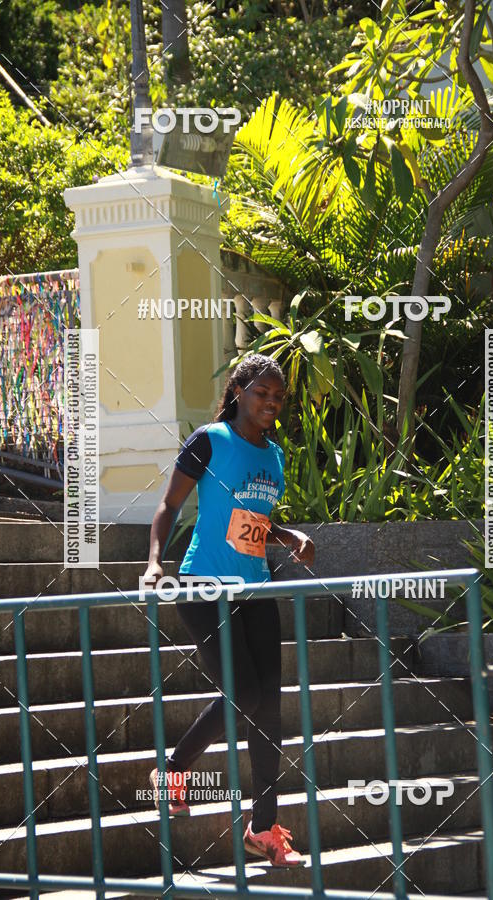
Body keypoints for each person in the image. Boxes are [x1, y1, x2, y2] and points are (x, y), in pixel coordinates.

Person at [143, 353, 315, 868]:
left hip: (255, 587)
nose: (271, 404)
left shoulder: (275, 456)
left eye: (278, 397)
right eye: (262, 393)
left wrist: (287, 535)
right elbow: (170, 506)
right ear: (239, 391)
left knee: (270, 710)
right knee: (243, 693)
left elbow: (254, 520)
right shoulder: (210, 441)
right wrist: (155, 564)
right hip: (203, 584)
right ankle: (172, 770)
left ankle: (264, 829)